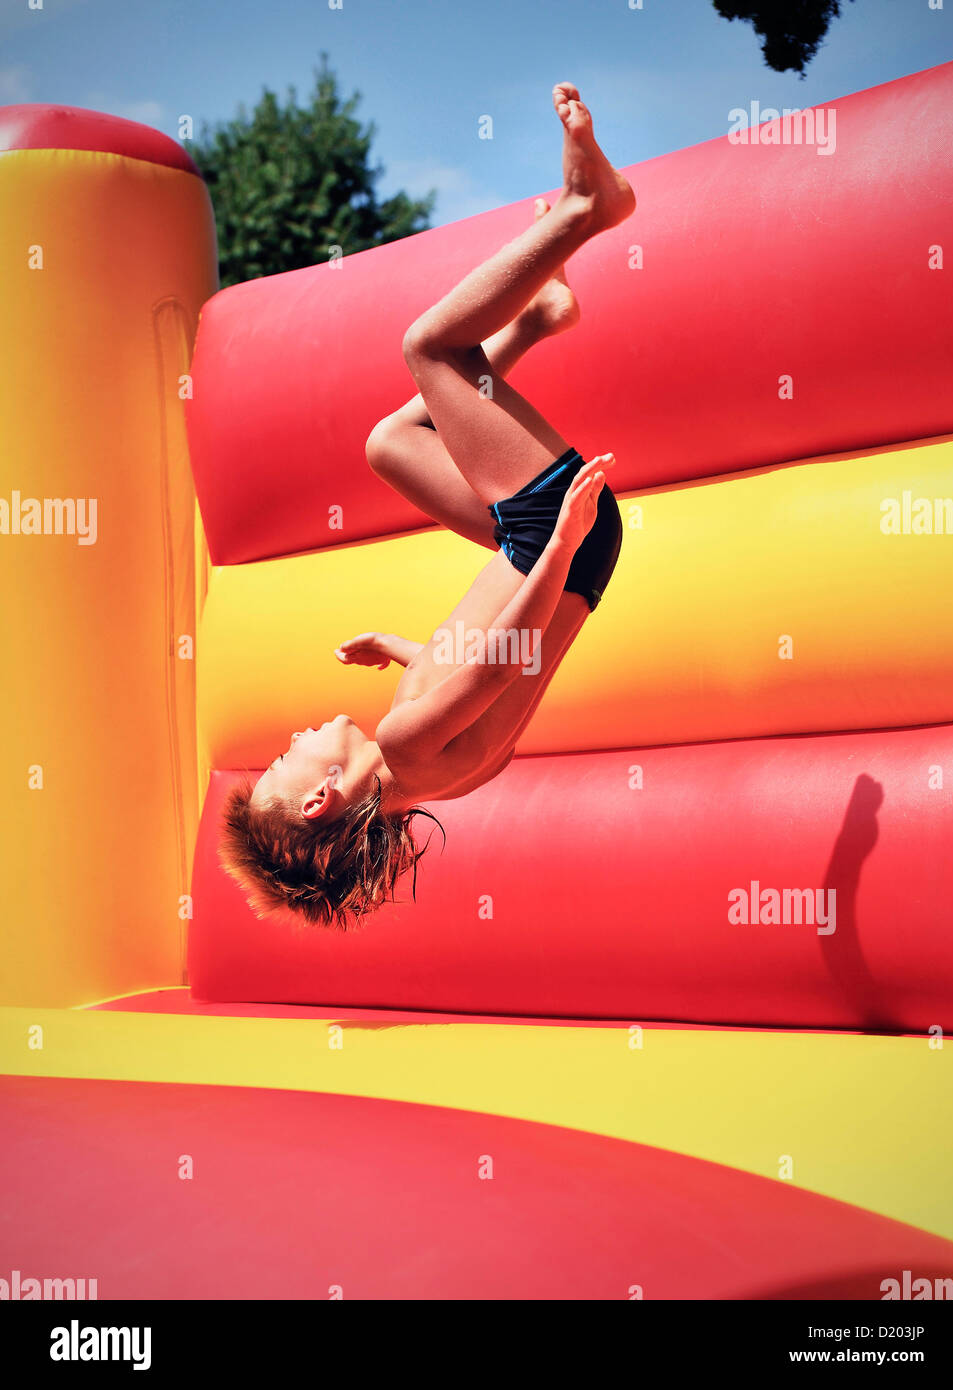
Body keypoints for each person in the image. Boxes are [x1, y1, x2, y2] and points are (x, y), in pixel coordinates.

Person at [221, 83, 635, 927]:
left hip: (555, 559)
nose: (291, 742)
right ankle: (588, 210)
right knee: (428, 347)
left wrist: (403, 648)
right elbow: (504, 656)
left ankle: (538, 319)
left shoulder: (424, 772)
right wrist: (558, 544)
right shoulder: (406, 746)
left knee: (390, 446)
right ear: (320, 799)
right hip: (547, 547)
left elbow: (471, 690)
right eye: (283, 761)